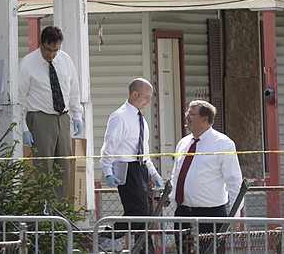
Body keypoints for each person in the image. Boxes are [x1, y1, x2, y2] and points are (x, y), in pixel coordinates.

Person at [18, 26, 84, 200]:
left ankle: (59, 208)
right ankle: (43, 209)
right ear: (41, 44)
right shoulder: (27, 63)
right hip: (40, 118)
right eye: (48, 50)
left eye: (55, 50)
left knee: (64, 164)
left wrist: (77, 115)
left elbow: (74, 89)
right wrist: (24, 127)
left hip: (62, 117)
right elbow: (20, 99)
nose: (52, 54)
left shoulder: (65, 60)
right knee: (43, 166)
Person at [99, 78, 164, 253]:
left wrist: (154, 173)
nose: (148, 102)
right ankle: (106, 237)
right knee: (139, 210)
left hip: (142, 168)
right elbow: (108, 147)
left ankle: (145, 250)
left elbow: (145, 152)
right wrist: (107, 172)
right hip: (126, 168)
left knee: (148, 214)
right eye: (146, 97)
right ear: (135, 94)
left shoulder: (142, 120)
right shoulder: (120, 117)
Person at [170, 100, 243, 253]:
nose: (186, 117)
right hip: (183, 213)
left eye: (191, 114)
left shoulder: (223, 144)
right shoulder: (183, 143)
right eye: (187, 113)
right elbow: (176, 175)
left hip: (211, 215)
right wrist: (170, 196)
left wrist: (235, 214)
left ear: (204, 119)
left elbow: (234, 182)